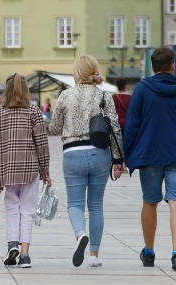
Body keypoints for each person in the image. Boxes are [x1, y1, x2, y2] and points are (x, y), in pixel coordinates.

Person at [123, 46, 176, 272]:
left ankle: (149, 252)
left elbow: (132, 125)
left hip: (149, 154)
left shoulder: (142, 89)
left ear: (152, 66)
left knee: (150, 201)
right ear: (172, 66)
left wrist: (125, 154)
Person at [48, 55, 124, 268]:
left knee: (74, 204)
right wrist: (119, 159)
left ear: (77, 73)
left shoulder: (65, 95)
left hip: (72, 154)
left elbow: (53, 128)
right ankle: (94, 255)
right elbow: (115, 129)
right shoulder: (104, 96)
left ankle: (81, 234)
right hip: (99, 153)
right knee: (96, 205)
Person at [0, 73, 52, 268]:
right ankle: (24, 254)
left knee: (12, 208)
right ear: (26, 91)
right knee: (28, 210)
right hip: (29, 167)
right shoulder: (33, 111)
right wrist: (45, 170)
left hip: (7, 168)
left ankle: (12, 243)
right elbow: (41, 143)